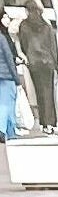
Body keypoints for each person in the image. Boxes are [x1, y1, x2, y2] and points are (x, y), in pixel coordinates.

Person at [18, 0, 58, 135]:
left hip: (34, 63)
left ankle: (43, 122)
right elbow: (53, 47)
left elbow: (23, 44)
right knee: (49, 93)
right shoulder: (46, 26)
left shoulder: (24, 25)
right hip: (48, 62)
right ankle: (51, 123)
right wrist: (57, 65)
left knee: (39, 93)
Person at [0, 13, 19, 141]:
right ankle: (5, 131)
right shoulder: (2, 38)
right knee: (7, 104)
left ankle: (8, 131)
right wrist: (16, 78)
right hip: (6, 76)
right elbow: (8, 58)